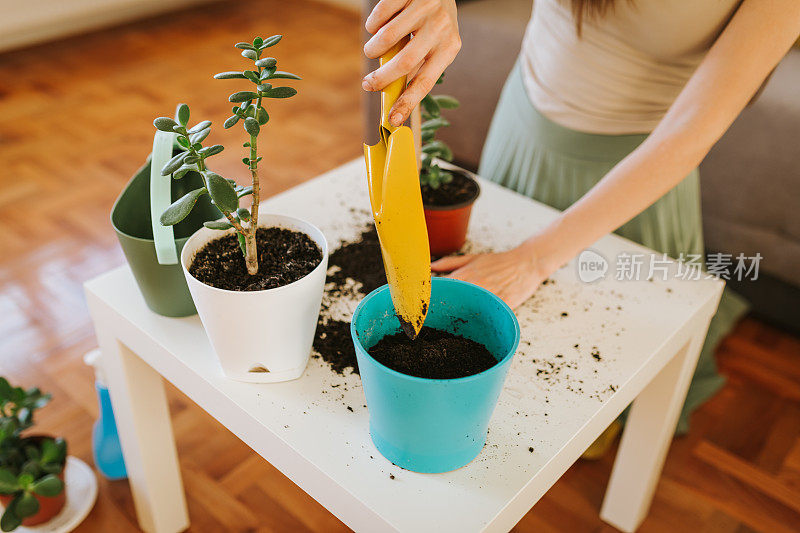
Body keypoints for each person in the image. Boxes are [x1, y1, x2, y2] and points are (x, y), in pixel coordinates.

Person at [361, 0, 800, 443]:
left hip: (636, 177)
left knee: (604, 368)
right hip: (525, 127)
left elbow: (691, 130)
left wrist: (533, 258)